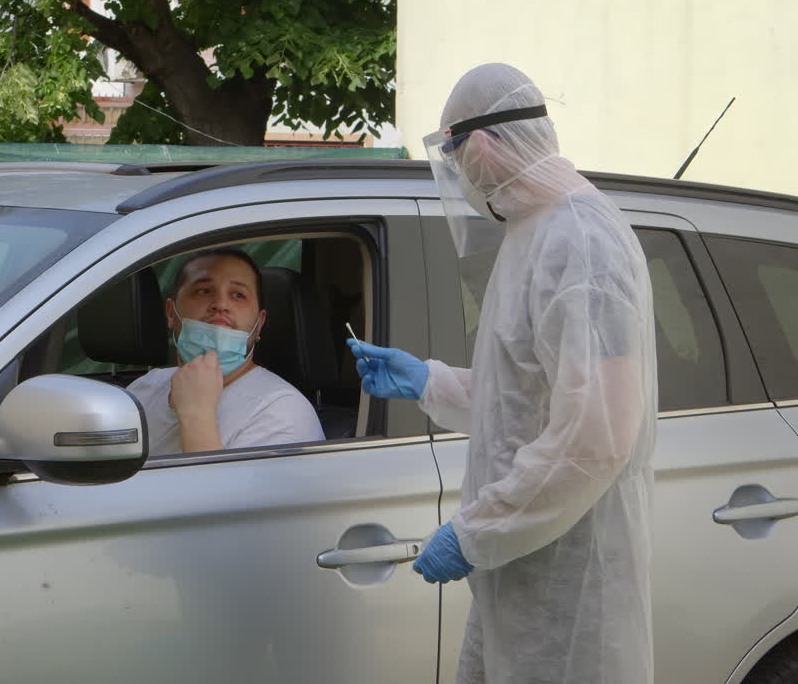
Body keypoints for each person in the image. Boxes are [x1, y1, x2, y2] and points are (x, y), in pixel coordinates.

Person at [347, 63, 657, 684]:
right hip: (520, 575)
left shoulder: (582, 241)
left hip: (570, 581)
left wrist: (477, 530)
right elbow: (524, 399)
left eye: (455, 152)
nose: (458, 173)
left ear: (483, 143)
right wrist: (428, 380)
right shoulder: (533, 231)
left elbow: (596, 436)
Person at [127, 248, 325, 455]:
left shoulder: (284, 412)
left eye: (238, 295)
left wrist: (197, 415)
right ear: (170, 313)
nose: (221, 305)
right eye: (204, 291)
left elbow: (216, 488)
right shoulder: (145, 388)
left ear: (259, 324)